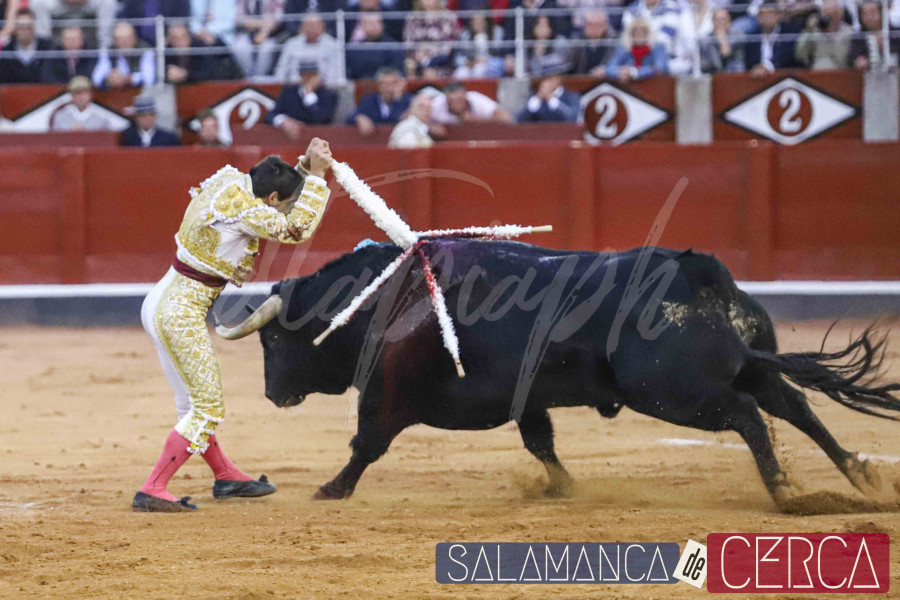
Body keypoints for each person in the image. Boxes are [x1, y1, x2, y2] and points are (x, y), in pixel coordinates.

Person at [134, 139, 335, 512]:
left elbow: (274, 199)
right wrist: (319, 177)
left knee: (189, 404)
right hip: (180, 310)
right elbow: (297, 228)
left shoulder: (231, 180)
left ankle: (225, 476)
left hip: (162, 298)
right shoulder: (248, 211)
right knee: (207, 408)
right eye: (281, 200)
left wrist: (303, 169)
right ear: (272, 197)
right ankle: (153, 487)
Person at [265, 61, 338, 140]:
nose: (309, 78)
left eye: (312, 75)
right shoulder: (289, 92)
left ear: (318, 75)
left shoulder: (328, 94)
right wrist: (283, 121)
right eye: (305, 74)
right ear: (300, 75)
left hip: (317, 141)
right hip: (291, 141)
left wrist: (309, 96)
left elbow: (322, 120)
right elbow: (270, 116)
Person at [273, 12, 342, 84]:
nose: (312, 28)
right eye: (308, 25)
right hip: (294, 86)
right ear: (302, 28)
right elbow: (282, 69)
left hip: (324, 87)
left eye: (315, 25)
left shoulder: (333, 44)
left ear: (322, 27)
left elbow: (335, 71)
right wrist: (279, 85)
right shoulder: (292, 43)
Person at [165, 22, 244, 83]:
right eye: (175, 38)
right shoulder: (166, 53)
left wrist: (185, 75)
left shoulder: (201, 49)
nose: (180, 42)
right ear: (169, 39)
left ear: (189, 37)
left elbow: (208, 73)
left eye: (182, 37)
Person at [346, 66, 412, 137]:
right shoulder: (369, 100)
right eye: (385, 84)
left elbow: (394, 120)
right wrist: (359, 118)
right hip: (373, 142)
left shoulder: (409, 100)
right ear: (379, 86)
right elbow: (351, 117)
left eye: (393, 84)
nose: (389, 88)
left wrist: (397, 100)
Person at [403, 0, 460, 77]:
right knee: (409, 66)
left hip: (442, 61)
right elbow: (408, 43)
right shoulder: (412, 18)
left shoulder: (449, 17)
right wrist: (418, 55)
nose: (428, 1)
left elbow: (452, 44)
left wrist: (432, 57)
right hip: (418, 60)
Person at [231, 0, 287, 78]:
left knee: (267, 49)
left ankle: (260, 79)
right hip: (248, 32)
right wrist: (261, 24)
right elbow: (241, 20)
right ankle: (247, 79)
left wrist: (264, 32)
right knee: (240, 47)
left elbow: (276, 20)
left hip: (272, 34)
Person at [92, 22, 155, 89]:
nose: (124, 42)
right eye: (120, 39)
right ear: (115, 41)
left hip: (139, 94)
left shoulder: (145, 51)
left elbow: (149, 80)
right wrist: (108, 79)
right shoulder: (108, 52)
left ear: (134, 37)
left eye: (127, 38)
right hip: (114, 94)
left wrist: (128, 79)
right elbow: (96, 79)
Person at [606, 15, 669, 83]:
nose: (639, 34)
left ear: (649, 33)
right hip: (628, 88)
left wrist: (635, 72)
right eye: (635, 31)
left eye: (643, 31)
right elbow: (610, 67)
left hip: (653, 86)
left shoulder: (657, 47)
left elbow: (660, 67)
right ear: (630, 33)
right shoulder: (623, 48)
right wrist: (620, 72)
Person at [31, 0, 116, 50]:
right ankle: (44, 49)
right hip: (61, 3)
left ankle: (105, 49)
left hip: (86, 3)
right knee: (38, 3)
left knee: (108, 2)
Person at [744, 0, 801, 74]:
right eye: (762, 15)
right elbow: (750, 61)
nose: (766, 18)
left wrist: (767, 68)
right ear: (758, 17)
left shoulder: (788, 32)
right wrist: (757, 68)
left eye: (770, 14)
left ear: (778, 16)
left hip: (782, 76)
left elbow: (787, 57)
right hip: (757, 77)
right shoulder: (753, 35)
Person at [0, 8, 54, 84]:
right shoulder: (7, 51)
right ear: (15, 28)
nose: (24, 30)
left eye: (28, 26)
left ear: (34, 27)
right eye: (20, 27)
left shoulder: (48, 48)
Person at [795, 0, 853, 69]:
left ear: (841, 14)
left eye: (834, 14)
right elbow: (800, 54)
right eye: (828, 14)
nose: (831, 18)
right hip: (819, 74)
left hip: (843, 73)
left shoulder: (850, 32)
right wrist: (808, 30)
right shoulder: (814, 32)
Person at [346, 12, 405, 80]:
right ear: (362, 25)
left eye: (377, 23)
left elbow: (397, 70)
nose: (374, 26)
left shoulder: (393, 47)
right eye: (370, 23)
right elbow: (349, 72)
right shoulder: (354, 49)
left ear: (382, 25)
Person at [430, 81, 511, 124]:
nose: (456, 105)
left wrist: (476, 121)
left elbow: (506, 118)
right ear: (446, 99)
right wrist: (432, 127)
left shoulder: (476, 99)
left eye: (459, 100)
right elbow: (418, 122)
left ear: (465, 95)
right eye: (451, 101)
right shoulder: (437, 104)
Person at [850, 1, 899, 70]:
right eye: (865, 14)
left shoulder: (895, 33)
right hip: (869, 77)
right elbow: (852, 57)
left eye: (873, 12)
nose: (869, 17)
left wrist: (882, 47)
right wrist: (858, 61)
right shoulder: (858, 37)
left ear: (881, 13)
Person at [568, 9, 616, 76]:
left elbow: (614, 61)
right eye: (590, 24)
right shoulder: (576, 41)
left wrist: (604, 69)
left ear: (605, 26)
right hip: (580, 80)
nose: (594, 28)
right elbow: (569, 65)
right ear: (584, 26)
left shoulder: (614, 41)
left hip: (607, 80)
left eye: (598, 24)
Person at [120, 0, 192, 45]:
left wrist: (169, 35)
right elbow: (123, 15)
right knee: (122, 32)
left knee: (178, 33)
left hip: (168, 38)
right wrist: (124, 26)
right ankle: (122, 67)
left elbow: (184, 15)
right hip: (139, 40)